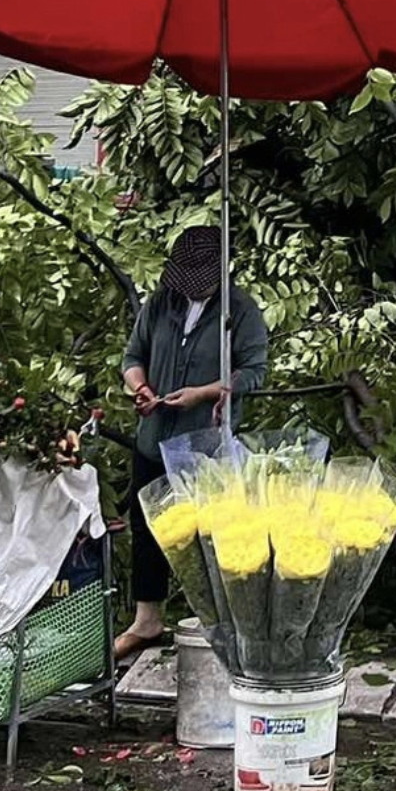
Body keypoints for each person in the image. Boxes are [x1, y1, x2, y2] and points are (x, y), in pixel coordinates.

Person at [116, 225, 269, 663]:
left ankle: (217, 622)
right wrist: (140, 388)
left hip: (205, 443)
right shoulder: (160, 303)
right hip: (153, 438)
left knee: (208, 534)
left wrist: (207, 392)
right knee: (148, 530)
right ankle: (147, 620)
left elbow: (254, 370)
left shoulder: (239, 311)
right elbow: (132, 357)